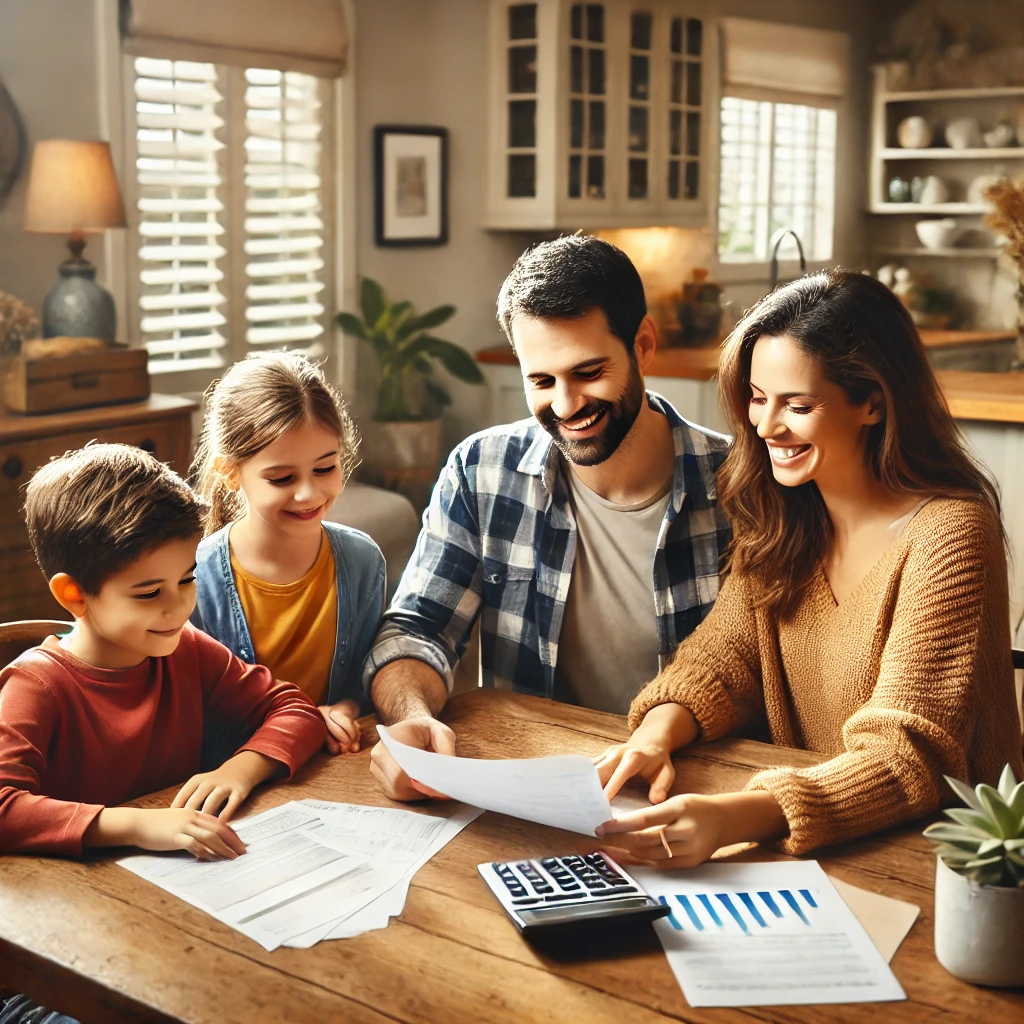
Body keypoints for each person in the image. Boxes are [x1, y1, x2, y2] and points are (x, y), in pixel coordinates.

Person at [593, 269, 1024, 865]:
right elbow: (723, 657)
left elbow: (904, 754)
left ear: (872, 401)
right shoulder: (785, 511)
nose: (766, 426)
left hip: (952, 859)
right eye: (757, 397)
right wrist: (653, 736)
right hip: (828, 845)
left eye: (798, 405)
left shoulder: (951, 534)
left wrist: (731, 816)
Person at [365, 234, 732, 800]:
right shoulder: (481, 470)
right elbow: (417, 629)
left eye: (588, 372)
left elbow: (759, 678)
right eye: (541, 381)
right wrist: (410, 717)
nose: (565, 406)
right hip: (534, 790)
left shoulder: (739, 485)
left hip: (693, 791)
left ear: (644, 345)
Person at [0, 443, 326, 859]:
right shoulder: (36, 684)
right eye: (150, 592)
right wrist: (135, 824)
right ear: (74, 595)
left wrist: (238, 771)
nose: (178, 607)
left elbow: (294, 709)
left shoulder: (184, 649)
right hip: (77, 897)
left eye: (187, 579)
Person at [191, 351, 386, 756]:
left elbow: (362, 680)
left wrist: (344, 710)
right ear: (229, 471)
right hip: (235, 777)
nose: (309, 494)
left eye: (325, 468)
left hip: (331, 767)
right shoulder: (193, 578)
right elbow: (192, 716)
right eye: (282, 477)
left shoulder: (363, 562)